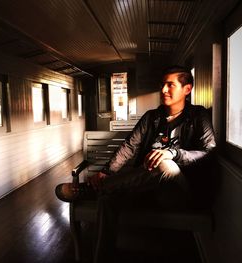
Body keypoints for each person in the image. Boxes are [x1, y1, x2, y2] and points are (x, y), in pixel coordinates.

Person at [55, 65, 216, 262]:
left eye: (170, 85)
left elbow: (208, 153)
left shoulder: (198, 116)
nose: (164, 90)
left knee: (165, 165)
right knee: (108, 199)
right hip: (145, 189)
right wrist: (106, 171)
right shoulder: (152, 118)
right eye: (162, 85)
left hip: (178, 193)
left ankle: (92, 189)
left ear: (187, 89)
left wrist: (173, 153)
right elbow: (129, 147)